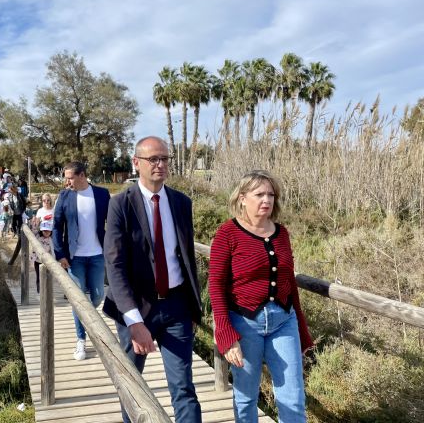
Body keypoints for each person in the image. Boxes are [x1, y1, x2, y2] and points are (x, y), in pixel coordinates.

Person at [103, 136, 202, 423]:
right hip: (136, 307)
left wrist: (192, 308)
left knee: (184, 387)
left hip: (176, 307)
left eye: (165, 159)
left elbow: (185, 258)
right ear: (136, 163)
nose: (160, 164)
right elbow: (115, 264)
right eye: (153, 159)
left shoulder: (182, 203)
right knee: (132, 387)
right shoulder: (121, 205)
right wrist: (134, 321)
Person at [209, 170, 313, 423]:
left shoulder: (282, 233)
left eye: (271, 195)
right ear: (242, 198)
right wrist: (226, 334)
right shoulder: (228, 233)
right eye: (260, 194)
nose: (267, 200)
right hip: (245, 324)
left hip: (283, 322)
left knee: (293, 397)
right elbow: (216, 285)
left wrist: (301, 328)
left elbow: (289, 283)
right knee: (246, 397)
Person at [53, 161, 110, 361]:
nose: (66, 181)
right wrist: (60, 254)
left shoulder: (102, 194)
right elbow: (57, 227)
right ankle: (81, 339)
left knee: (96, 297)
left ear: (82, 175)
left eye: (70, 177)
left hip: (97, 255)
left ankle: (85, 323)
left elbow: (111, 223)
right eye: (66, 177)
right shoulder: (64, 196)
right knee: (79, 300)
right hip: (74, 258)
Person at [31, 220, 54, 293]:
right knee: (39, 276)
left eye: (48, 231)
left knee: (47, 276)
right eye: (44, 231)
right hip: (38, 261)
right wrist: (35, 225)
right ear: (41, 231)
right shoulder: (38, 237)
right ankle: (40, 290)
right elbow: (33, 233)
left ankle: (46, 290)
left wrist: (54, 260)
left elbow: (52, 251)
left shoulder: (51, 240)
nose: (46, 232)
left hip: (47, 261)